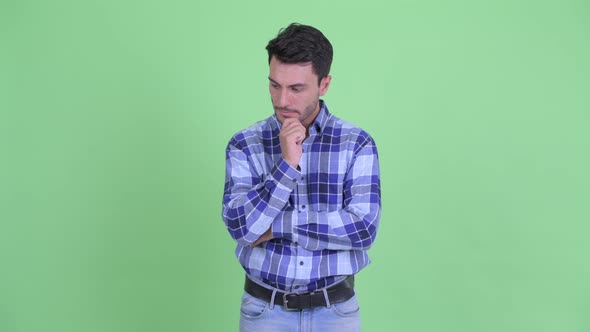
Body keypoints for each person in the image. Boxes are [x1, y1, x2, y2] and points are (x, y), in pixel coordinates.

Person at [221, 23, 382, 332]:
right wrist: (287, 166)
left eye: (296, 88)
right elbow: (241, 227)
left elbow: (362, 230)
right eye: (274, 85)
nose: (282, 100)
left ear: (324, 85)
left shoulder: (356, 143)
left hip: (336, 313)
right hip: (263, 312)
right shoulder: (244, 144)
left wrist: (277, 226)